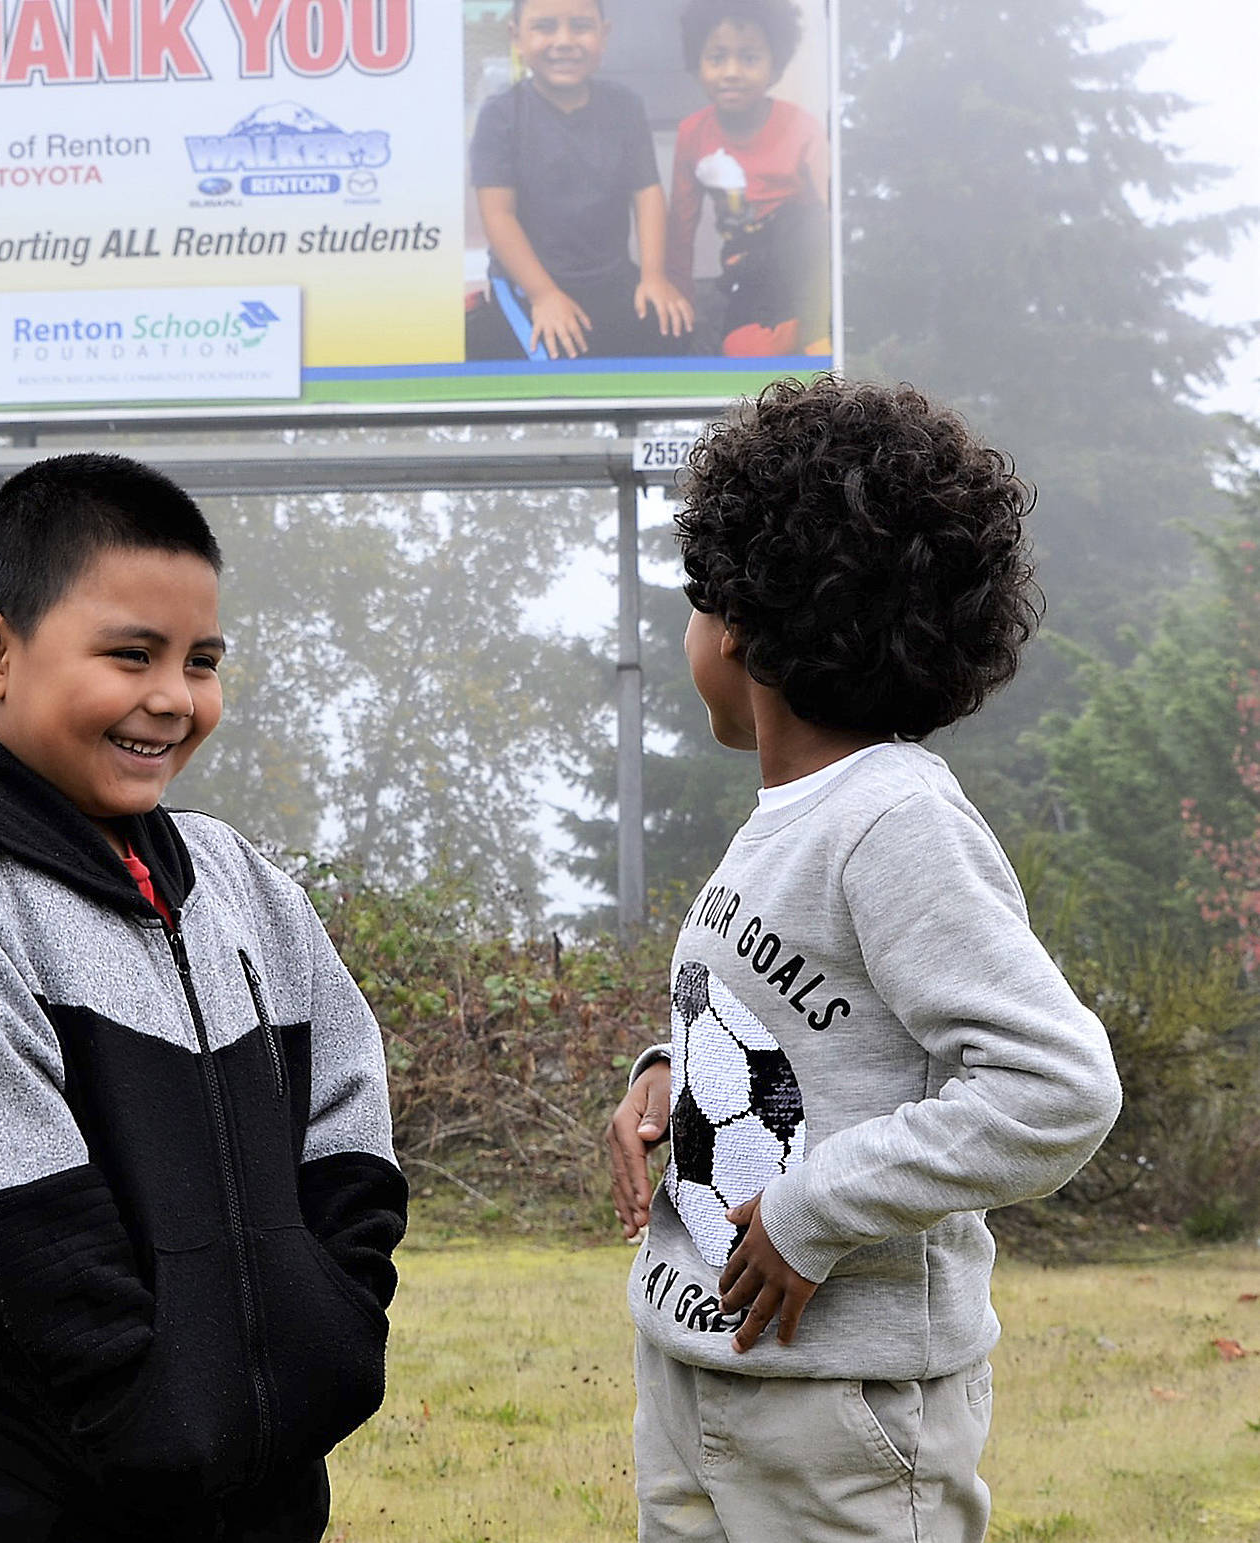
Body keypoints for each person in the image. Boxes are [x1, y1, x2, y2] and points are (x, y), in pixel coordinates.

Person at [0, 454, 407, 1543]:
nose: (174, 698)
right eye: (131, 654)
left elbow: (350, 1113)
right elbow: (12, 1216)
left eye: (202, 660)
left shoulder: (239, 879)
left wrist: (328, 1332)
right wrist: (155, 1414)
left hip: (267, 1500)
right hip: (32, 1507)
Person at [604, 377, 1122, 1542]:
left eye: (695, 601)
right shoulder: (792, 816)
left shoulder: (896, 819)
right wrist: (666, 1075)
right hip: (694, 1373)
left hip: (839, 1414)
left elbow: (1056, 1086)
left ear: (736, 623)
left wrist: (814, 1209)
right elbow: (795, 1014)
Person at [466, 0, 692, 361]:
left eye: (581, 26)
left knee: (673, 331)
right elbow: (498, 215)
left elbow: (646, 192)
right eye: (545, 27)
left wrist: (653, 277)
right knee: (547, 360)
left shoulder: (625, 107)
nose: (565, 41)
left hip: (612, 279)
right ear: (516, 37)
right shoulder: (500, 116)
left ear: (604, 35)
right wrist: (543, 295)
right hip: (527, 285)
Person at [666, 0, 831, 356]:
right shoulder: (693, 134)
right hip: (747, 274)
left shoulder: (803, 129)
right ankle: (789, 331)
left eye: (749, 58)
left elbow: (829, 223)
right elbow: (681, 227)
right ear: (696, 64)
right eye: (717, 58)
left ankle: (815, 332)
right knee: (742, 349)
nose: (732, 72)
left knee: (806, 221)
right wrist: (680, 300)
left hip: (801, 263)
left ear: (775, 67)